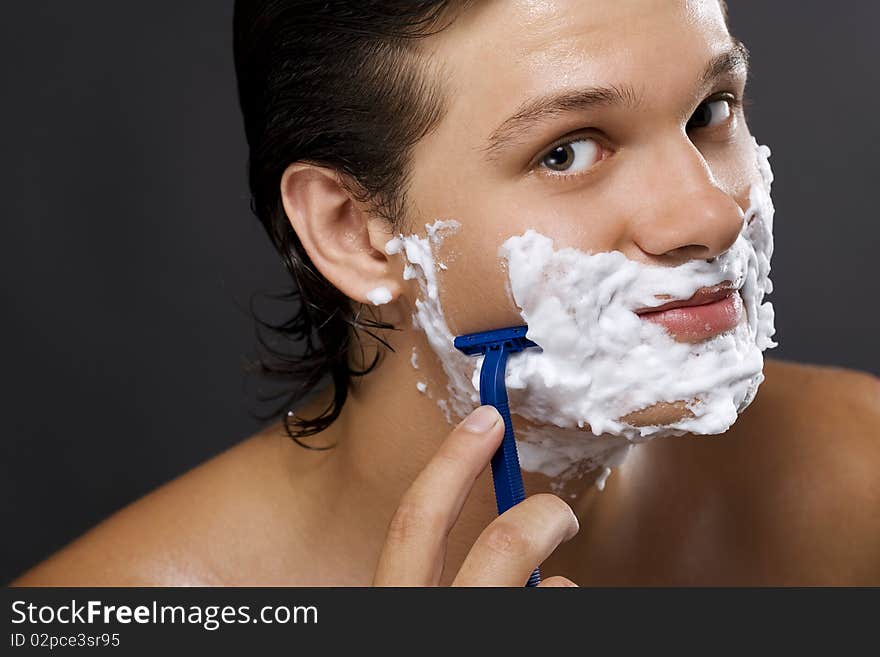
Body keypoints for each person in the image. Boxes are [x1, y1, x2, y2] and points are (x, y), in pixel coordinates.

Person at [12, 0, 880, 587]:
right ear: (354, 232)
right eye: (568, 150)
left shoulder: (860, 479)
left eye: (709, 111)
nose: (711, 212)